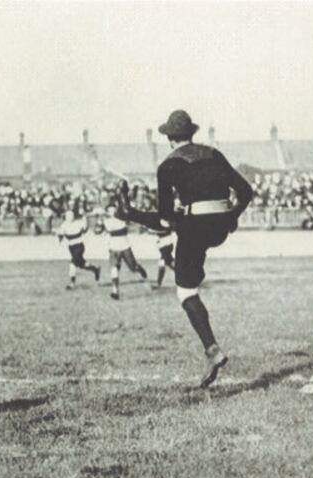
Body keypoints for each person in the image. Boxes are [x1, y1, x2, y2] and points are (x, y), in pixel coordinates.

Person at [116, 109, 254, 388]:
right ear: (192, 132)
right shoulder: (213, 154)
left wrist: (131, 214)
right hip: (218, 226)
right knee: (192, 269)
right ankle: (129, 213)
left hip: (194, 228)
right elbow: (246, 191)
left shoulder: (168, 166)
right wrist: (232, 216)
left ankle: (212, 350)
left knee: (186, 291)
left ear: (169, 138)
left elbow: (165, 219)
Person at [103, 204, 147, 300]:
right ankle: (115, 290)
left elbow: (124, 229)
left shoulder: (122, 219)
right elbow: (115, 231)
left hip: (125, 247)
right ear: (107, 212)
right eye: (110, 210)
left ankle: (139, 268)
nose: (112, 212)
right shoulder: (107, 221)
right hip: (113, 248)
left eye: (113, 209)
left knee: (133, 268)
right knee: (114, 268)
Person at [56, 210, 100, 290]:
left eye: (71, 215)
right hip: (71, 247)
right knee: (82, 264)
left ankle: (72, 284)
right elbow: (60, 235)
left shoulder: (78, 223)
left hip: (79, 246)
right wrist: (59, 239)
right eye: (68, 215)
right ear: (65, 217)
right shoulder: (64, 225)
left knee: (72, 264)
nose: (70, 217)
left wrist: (85, 219)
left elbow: (85, 230)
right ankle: (95, 269)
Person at [150, 224, 176, 290]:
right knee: (169, 263)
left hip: (167, 243)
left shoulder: (166, 219)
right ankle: (186, 275)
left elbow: (167, 229)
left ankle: (158, 283)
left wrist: (154, 231)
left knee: (162, 263)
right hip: (163, 243)